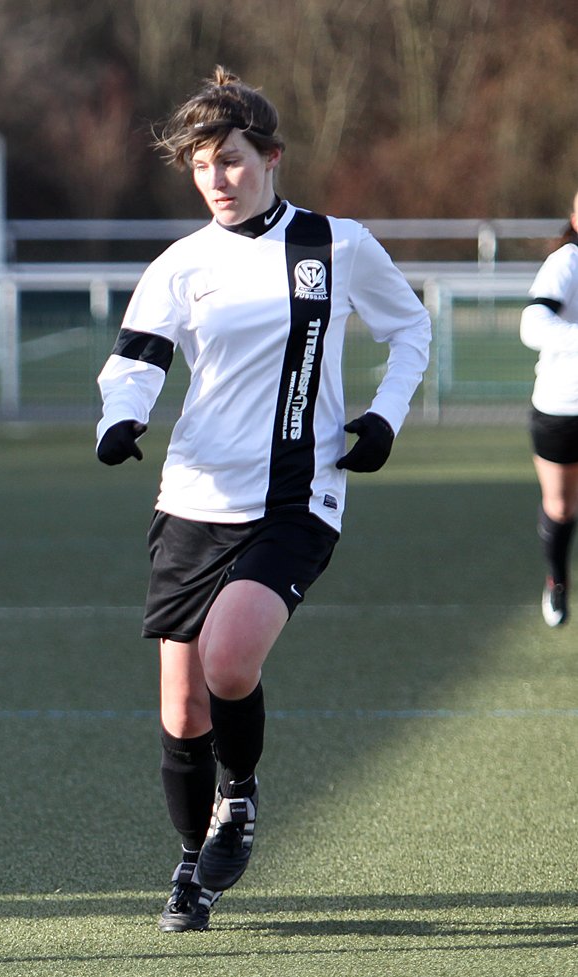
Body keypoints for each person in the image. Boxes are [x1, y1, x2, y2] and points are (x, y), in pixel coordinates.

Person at [95, 68, 430, 932]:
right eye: (203, 164)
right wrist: (122, 417)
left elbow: (411, 328)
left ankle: (238, 800)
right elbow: (137, 356)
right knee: (180, 708)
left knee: (230, 662)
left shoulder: (336, 243)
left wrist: (384, 418)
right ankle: (188, 871)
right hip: (192, 495)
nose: (217, 177)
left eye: (233, 160)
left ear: (272, 158)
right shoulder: (182, 262)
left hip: (297, 495)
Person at [520, 196, 578, 627]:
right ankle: (557, 579)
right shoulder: (567, 263)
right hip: (564, 408)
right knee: (560, 507)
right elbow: (533, 325)